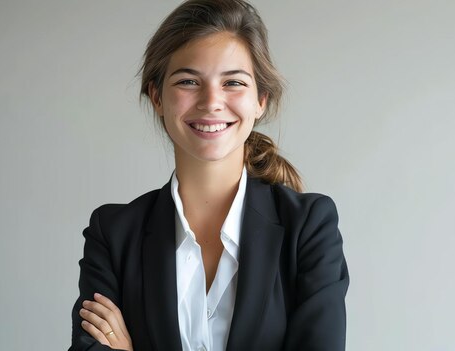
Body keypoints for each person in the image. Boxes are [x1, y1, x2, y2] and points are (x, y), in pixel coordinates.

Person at [68, 0, 349, 350]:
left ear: (261, 99)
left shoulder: (308, 227)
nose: (211, 101)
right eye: (188, 81)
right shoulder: (113, 233)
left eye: (233, 82)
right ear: (157, 96)